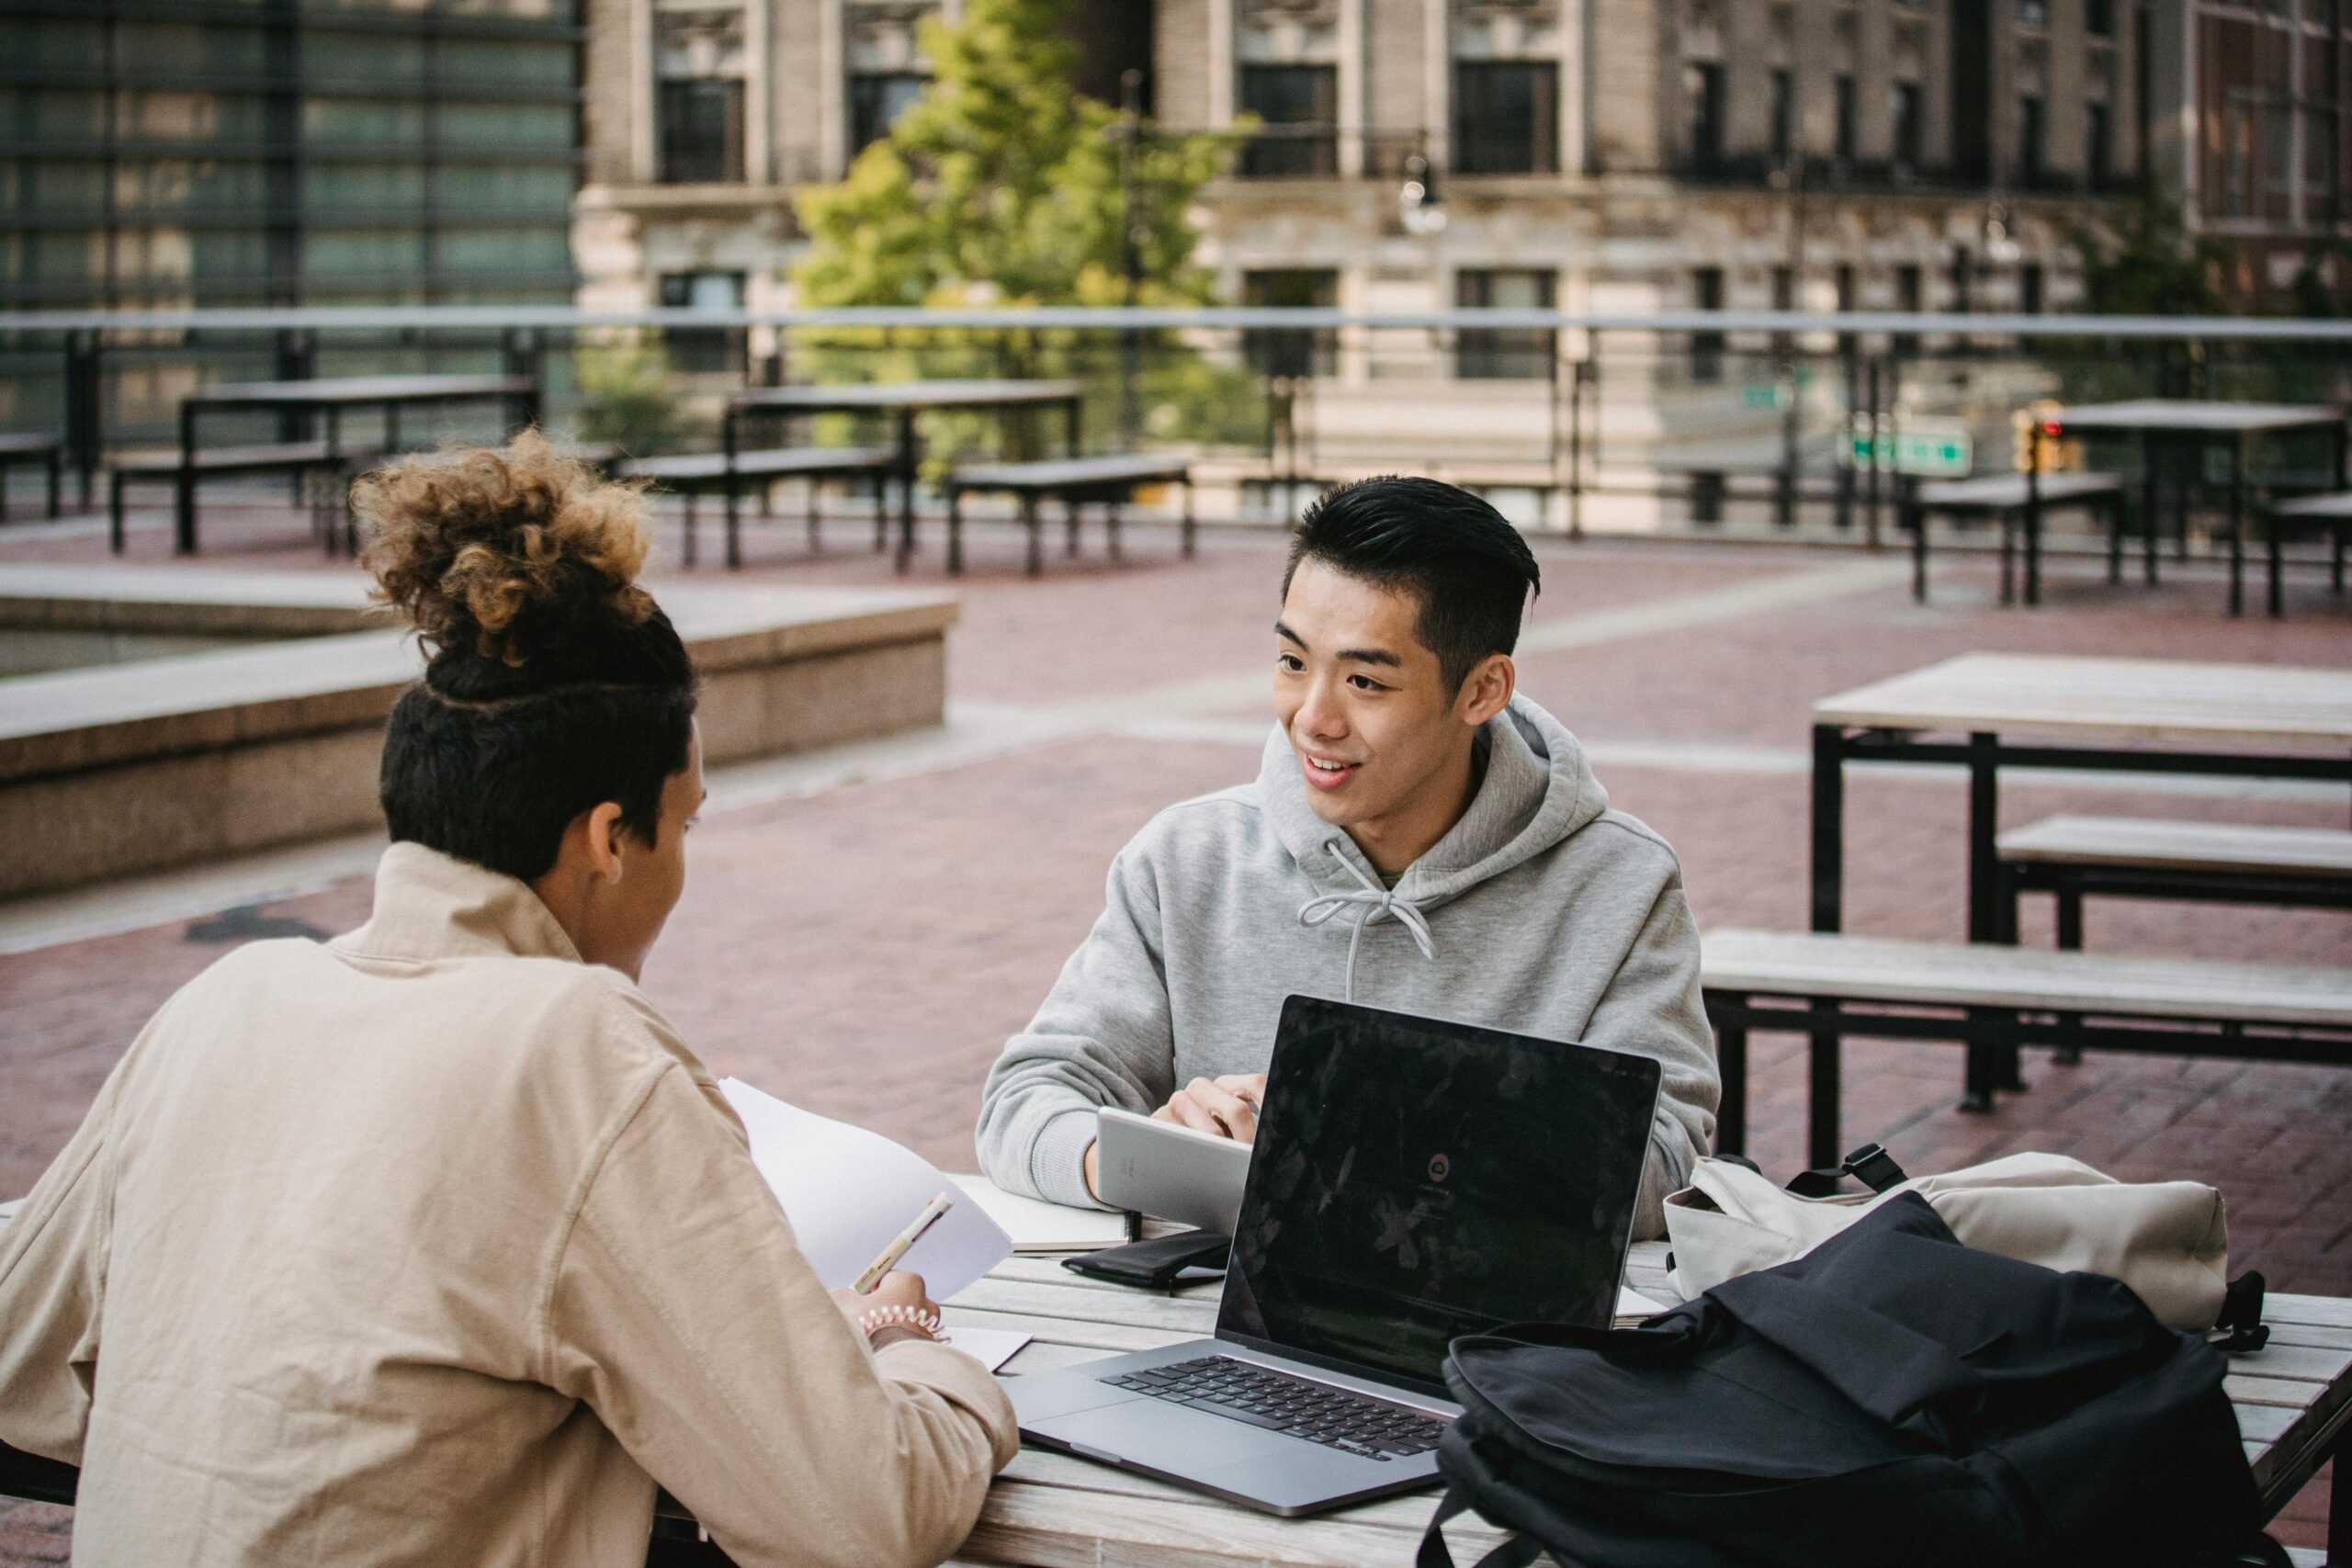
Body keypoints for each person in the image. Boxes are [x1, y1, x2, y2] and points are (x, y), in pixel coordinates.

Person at [0, 436, 1014, 1567]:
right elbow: (863, 1514)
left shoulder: (224, 999)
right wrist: (914, 1348)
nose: (679, 860)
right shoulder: (576, 1049)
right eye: (684, 824)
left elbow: (18, 1360)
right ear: (606, 840)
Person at [976, 476, 1718, 1239]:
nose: (1314, 717)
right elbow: (1025, 1100)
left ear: (1483, 689)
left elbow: (1668, 1161)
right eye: (1294, 663)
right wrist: (1150, 1157)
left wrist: (1382, 1146)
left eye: (1365, 680)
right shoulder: (1187, 860)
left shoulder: (1620, 884)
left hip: (1483, 1341)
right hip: (1210, 1327)